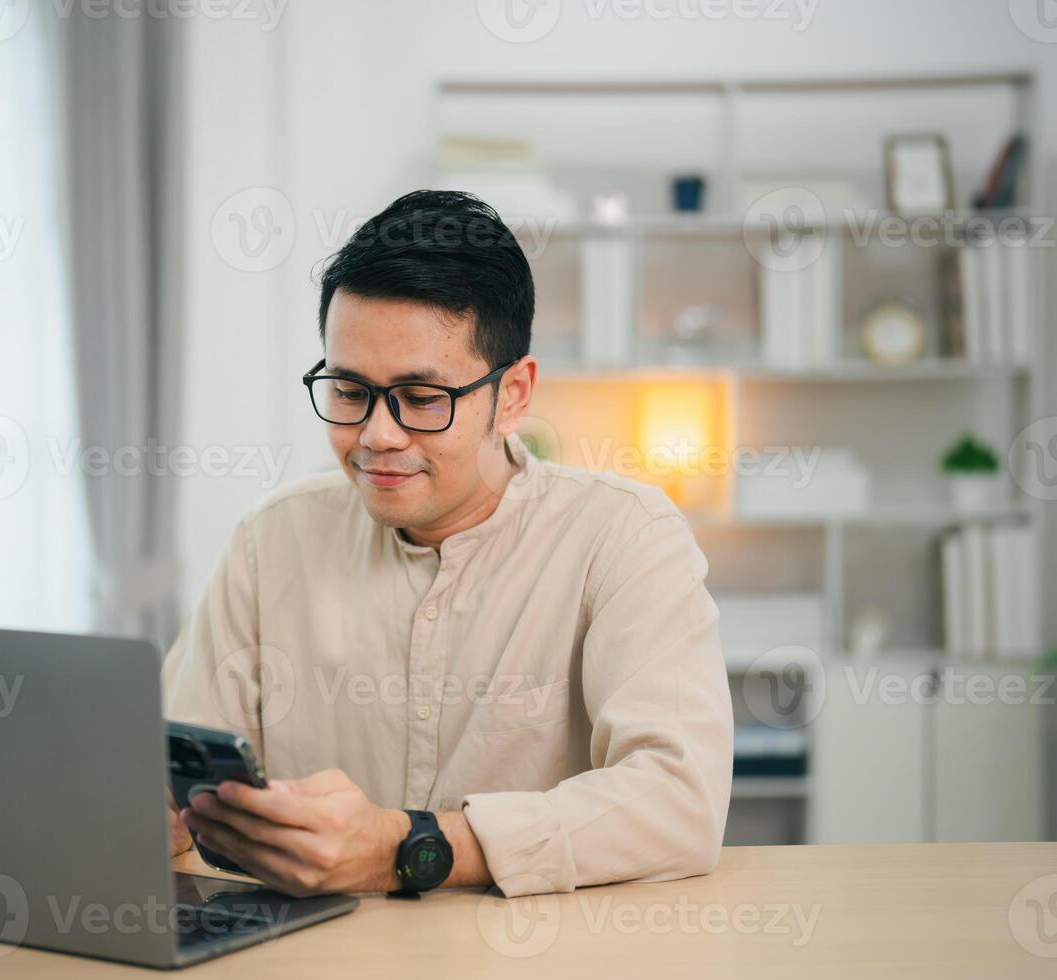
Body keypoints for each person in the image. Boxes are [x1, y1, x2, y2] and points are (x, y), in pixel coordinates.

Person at [162, 189, 732, 898]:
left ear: (514, 395)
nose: (378, 436)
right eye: (348, 391)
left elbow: (680, 802)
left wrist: (411, 848)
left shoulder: (623, 537)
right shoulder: (271, 538)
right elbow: (182, 763)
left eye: (423, 399)